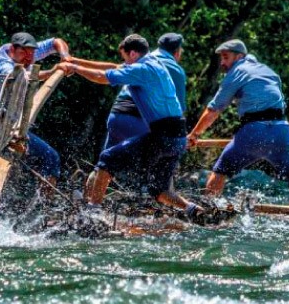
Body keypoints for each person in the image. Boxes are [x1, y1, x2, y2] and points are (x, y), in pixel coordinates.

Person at [186, 39, 289, 225]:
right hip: (280, 130)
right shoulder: (269, 71)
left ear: (239, 56)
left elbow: (214, 109)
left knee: (220, 172)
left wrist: (194, 134)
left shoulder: (236, 73)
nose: (222, 63)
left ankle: (207, 216)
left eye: (226, 57)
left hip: (253, 131)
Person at [63, 34, 198, 215]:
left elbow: (103, 77)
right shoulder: (154, 64)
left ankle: (92, 212)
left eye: (125, 57)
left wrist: (73, 68)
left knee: (106, 159)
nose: (124, 62)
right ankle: (193, 209)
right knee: (160, 191)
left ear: (133, 53)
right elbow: (112, 67)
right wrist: (74, 61)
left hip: (162, 135)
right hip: (178, 137)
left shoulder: (141, 69)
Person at [0, 32, 70, 192]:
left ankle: (40, 203)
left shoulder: (24, 53)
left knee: (46, 161)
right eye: (25, 55)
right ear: (13, 49)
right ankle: (46, 205)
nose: (29, 60)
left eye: (32, 55)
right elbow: (24, 77)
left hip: (21, 126)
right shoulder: (1, 66)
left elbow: (55, 42)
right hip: (6, 131)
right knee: (52, 157)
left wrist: (65, 57)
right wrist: (52, 71)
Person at [102, 32, 187, 149]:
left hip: (116, 115)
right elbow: (178, 110)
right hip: (140, 123)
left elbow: (111, 70)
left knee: (107, 160)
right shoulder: (175, 70)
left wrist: (75, 63)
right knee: (140, 163)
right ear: (177, 53)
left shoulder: (143, 58)